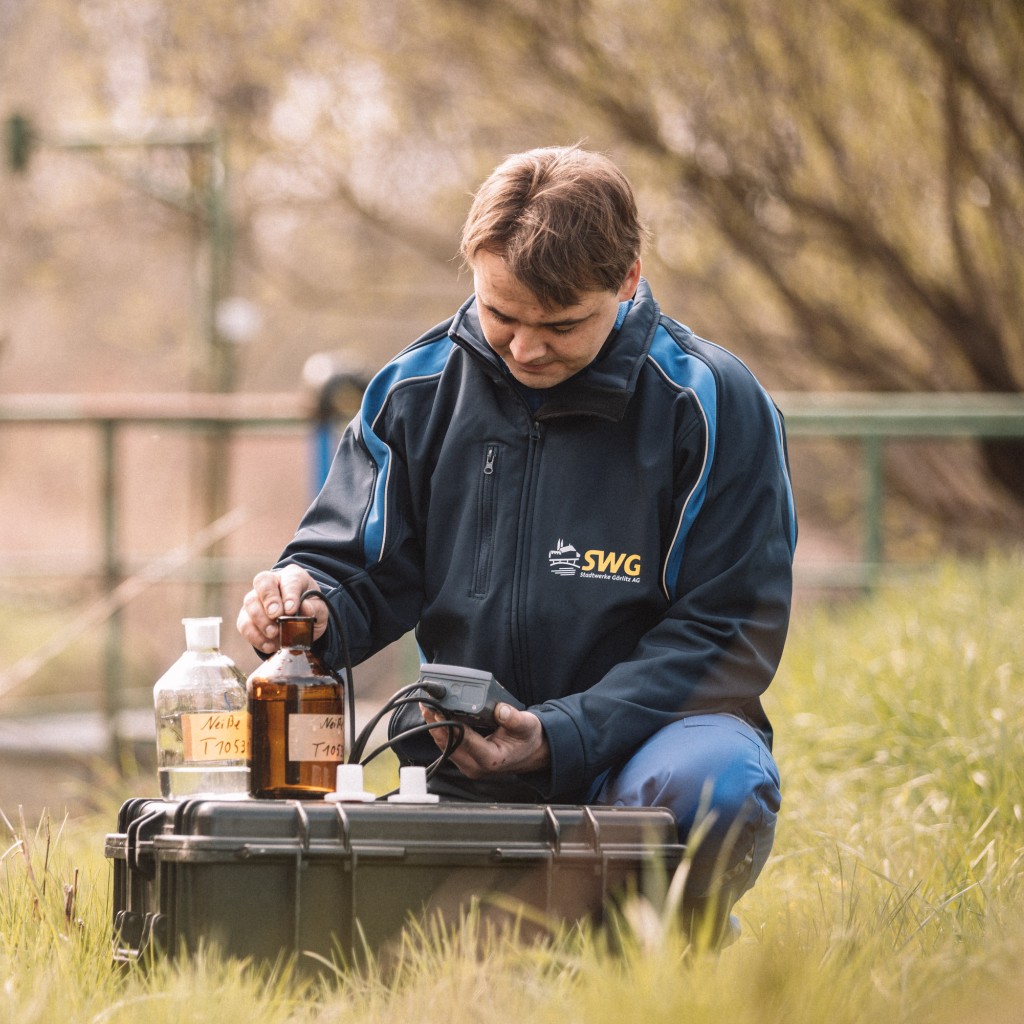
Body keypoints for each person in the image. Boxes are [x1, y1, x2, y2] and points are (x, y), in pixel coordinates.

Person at [238, 145, 797, 942]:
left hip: (642, 748)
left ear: (628, 280)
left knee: (721, 780)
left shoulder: (714, 402)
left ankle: (663, 950)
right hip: (462, 754)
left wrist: (563, 736)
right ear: (474, 269)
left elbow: (730, 630)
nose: (527, 349)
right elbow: (354, 565)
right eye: (501, 315)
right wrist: (306, 601)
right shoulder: (413, 389)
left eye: (561, 325)